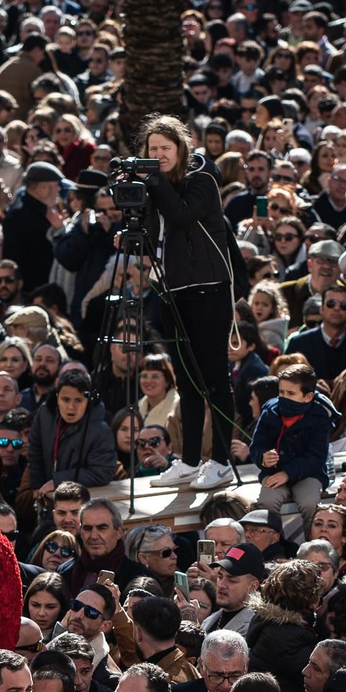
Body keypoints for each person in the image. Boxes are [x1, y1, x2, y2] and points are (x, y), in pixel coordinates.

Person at [136, 114, 239, 494]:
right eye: (153, 150)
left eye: (166, 148)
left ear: (182, 149)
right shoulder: (155, 186)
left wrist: (154, 182)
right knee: (189, 382)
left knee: (214, 378)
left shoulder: (202, 180)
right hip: (172, 289)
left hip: (208, 288)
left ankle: (223, 461)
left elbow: (180, 215)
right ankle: (191, 460)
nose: (159, 155)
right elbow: (155, 235)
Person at [248, 363, 335, 514]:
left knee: (310, 504)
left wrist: (288, 473)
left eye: (291, 393)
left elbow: (316, 457)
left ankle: (313, 538)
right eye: (281, 392)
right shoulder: (270, 412)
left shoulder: (319, 417)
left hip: (308, 474)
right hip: (274, 473)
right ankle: (274, 538)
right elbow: (256, 445)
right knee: (266, 504)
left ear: (308, 397)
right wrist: (263, 458)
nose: (284, 398)